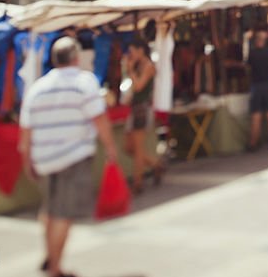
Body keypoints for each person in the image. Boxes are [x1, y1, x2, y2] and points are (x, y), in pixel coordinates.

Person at [19, 37, 119, 277]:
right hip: (73, 156)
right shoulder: (84, 82)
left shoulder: (37, 87)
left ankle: (50, 255)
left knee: (50, 209)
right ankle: (55, 267)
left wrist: (27, 162)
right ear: (76, 57)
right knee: (63, 213)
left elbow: (26, 131)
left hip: (43, 158)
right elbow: (99, 118)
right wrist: (110, 148)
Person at [125, 37, 163, 194]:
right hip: (135, 108)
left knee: (138, 147)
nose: (130, 55)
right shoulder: (139, 65)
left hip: (142, 108)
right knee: (129, 147)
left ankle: (138, 182)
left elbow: (139, 86)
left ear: (140, 50)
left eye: (133, 51)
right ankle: (155, 165)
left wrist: (130, 71)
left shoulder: (147, 66)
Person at [245, 24, 268, 150]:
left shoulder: (253, 53)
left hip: (257, 85)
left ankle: (253, 142)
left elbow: (248, 67)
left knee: (256, 113)